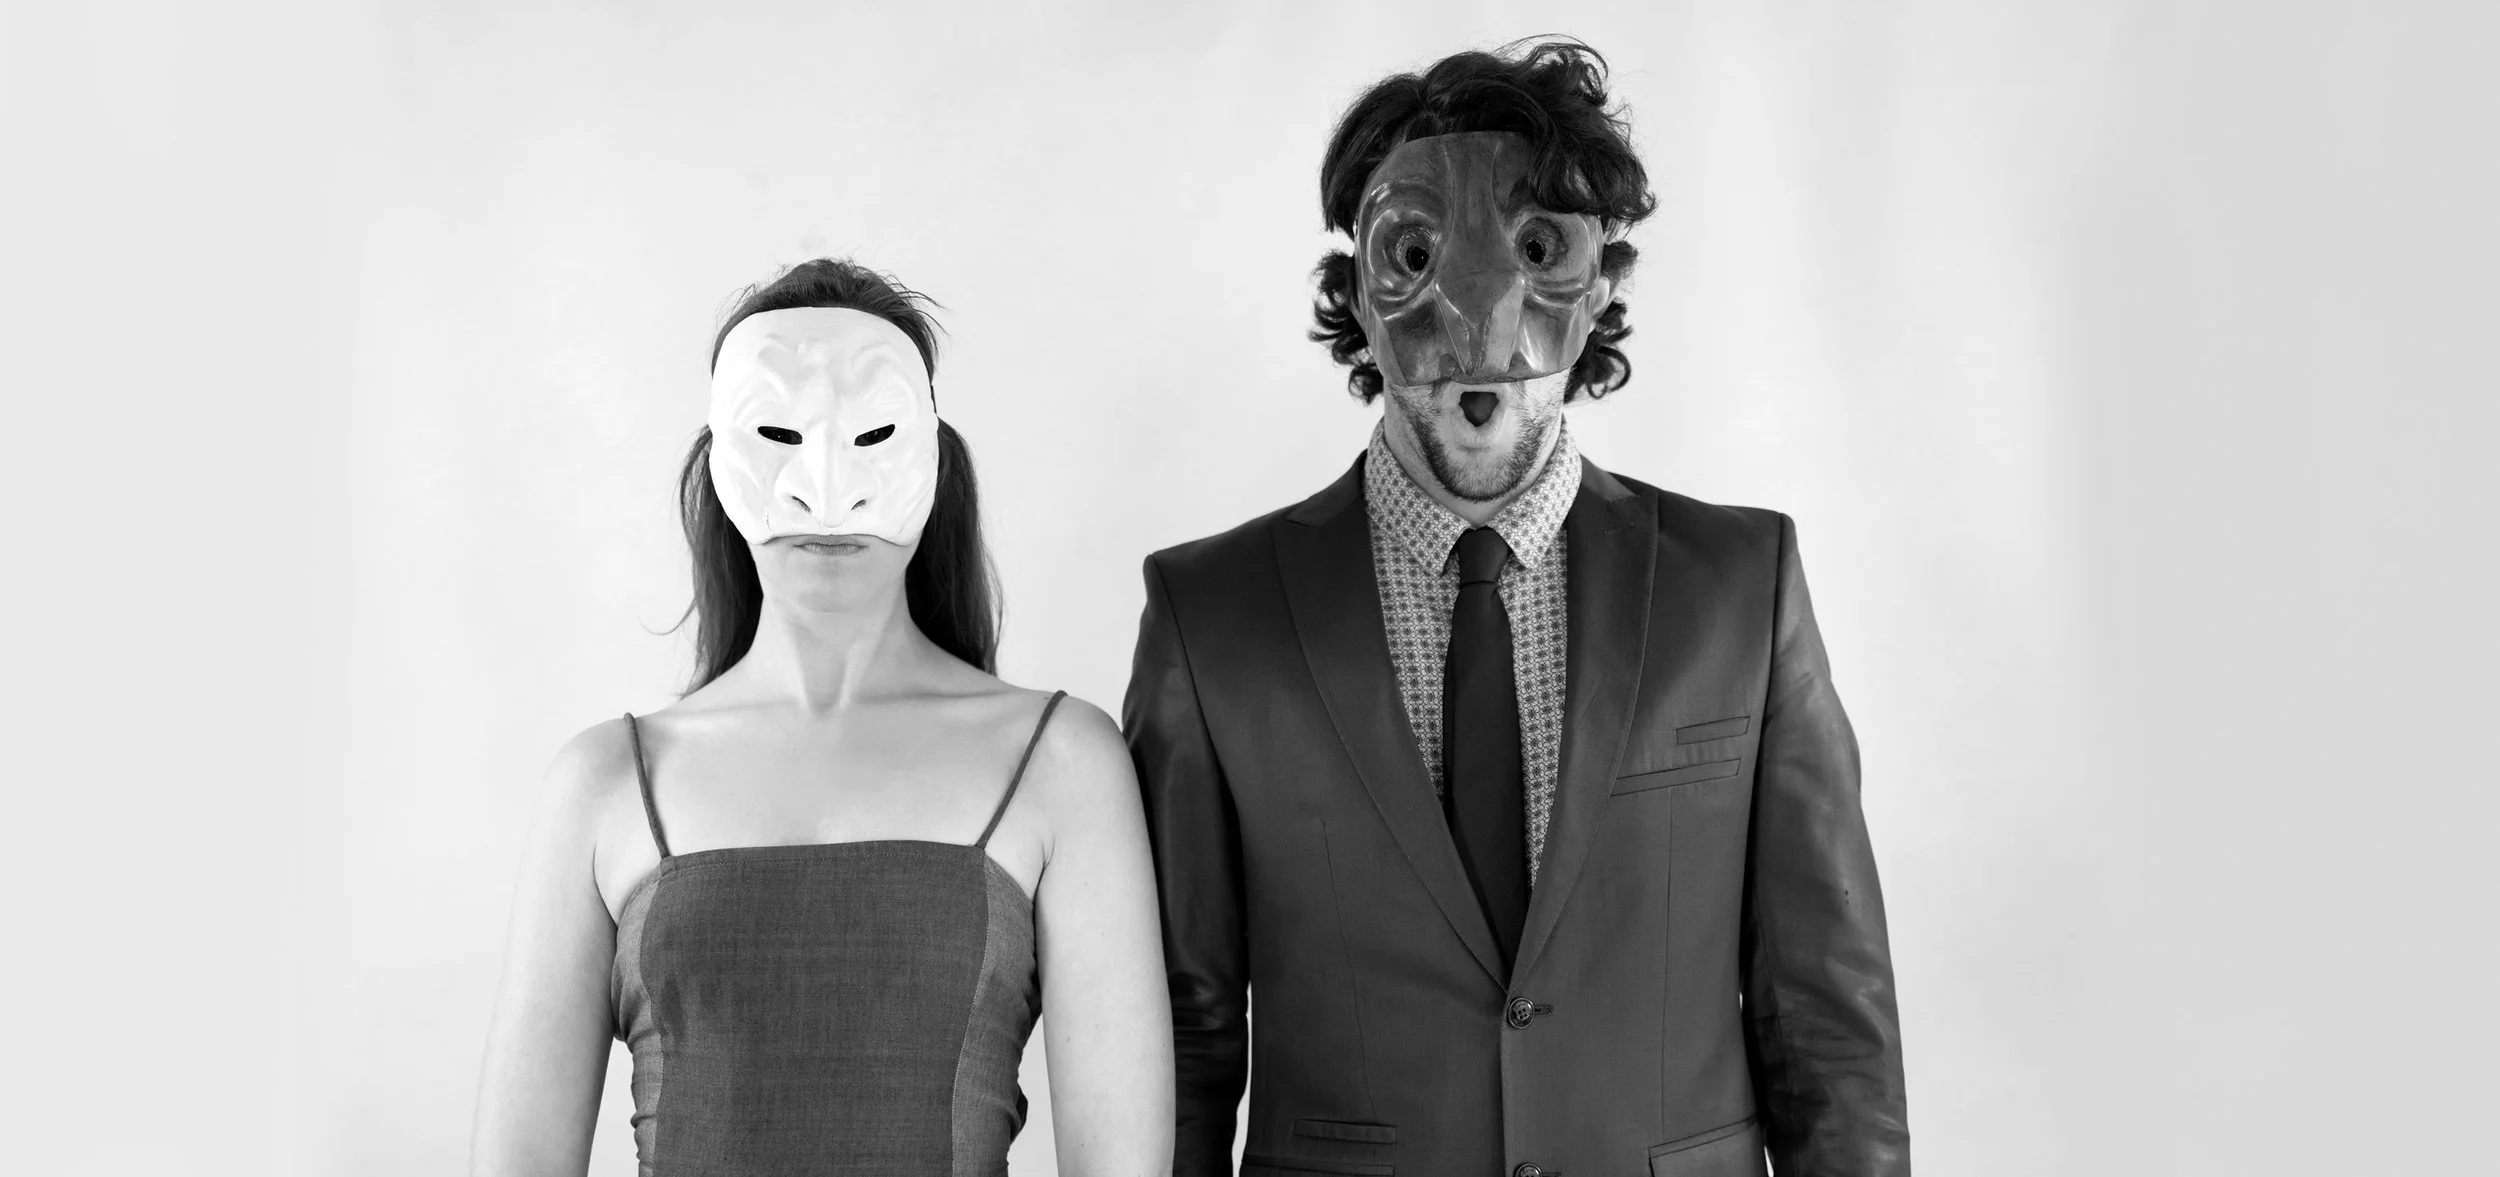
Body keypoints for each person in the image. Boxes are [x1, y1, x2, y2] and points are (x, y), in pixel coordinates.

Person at [1124, 41, 1908, 1176]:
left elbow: (1827, 1017)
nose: (1480, 334)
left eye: (1539, 248)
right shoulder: (1213, 618)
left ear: (1603, 286)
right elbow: (1182, 1039)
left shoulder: (1740, 585)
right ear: (1355, 290)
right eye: (1415, 254)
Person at [474, 259, 1173, 1176]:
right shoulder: (604, 782)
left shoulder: (1061, 763)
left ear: (932, 454)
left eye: (874, 435)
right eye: (778, 434)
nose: (825, 487)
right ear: (719, 459)